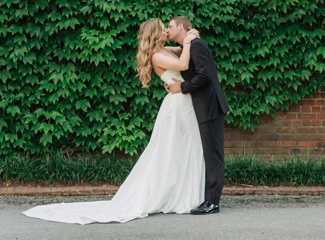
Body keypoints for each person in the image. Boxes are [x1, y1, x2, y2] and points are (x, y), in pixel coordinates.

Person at [23, 18, 205, 224]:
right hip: (178, 104)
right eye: (163, 29)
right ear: (155, 34)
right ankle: (183, 196)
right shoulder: (156, 56)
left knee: (185, 147)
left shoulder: (164, 50)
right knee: (183, 146)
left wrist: (188, 40)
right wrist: (189, 42)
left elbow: (182, 52)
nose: (166, 31)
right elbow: (183, 64)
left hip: (180, 100)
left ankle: (183, 193)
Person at [164, 15, 230, 215]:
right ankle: (208, 198)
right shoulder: (188, 45)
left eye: (170, 26)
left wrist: (181, 87)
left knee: (213, 156)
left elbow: (205, 76)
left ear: (182, 27)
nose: (167, 30)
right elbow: (165, 50)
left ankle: (212, 203)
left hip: (209, 107)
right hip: (203, 107)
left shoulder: (197, 45)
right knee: (208, 155)